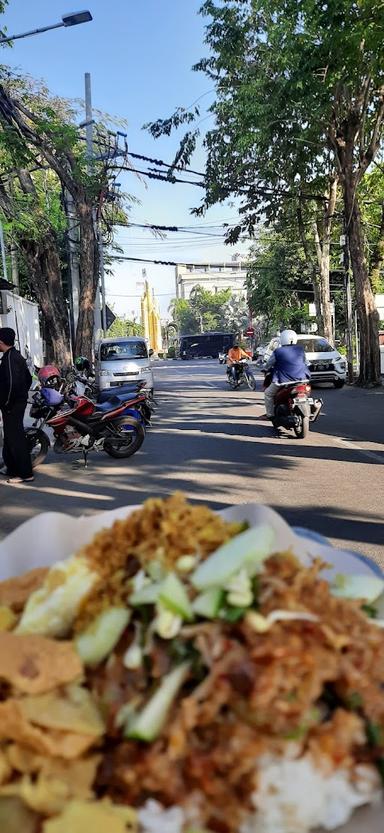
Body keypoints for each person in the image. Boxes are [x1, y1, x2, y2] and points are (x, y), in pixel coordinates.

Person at [0, 327, 34, 484]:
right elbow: (27, 379)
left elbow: (12, 384)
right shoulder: (15, 356)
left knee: (16, 439)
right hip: (16, 403)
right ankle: (11, 468)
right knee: (9, 438)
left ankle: (26, 474)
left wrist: (7, 402)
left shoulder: (10, 359)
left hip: (12, 405)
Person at [264, 329, 310, 419]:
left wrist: (265, 369)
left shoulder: (278, 351)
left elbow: (269, 364)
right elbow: (307, 362)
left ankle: (270, 415)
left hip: (283, 380)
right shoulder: (300, 349)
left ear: (283, 339)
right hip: (302, 379)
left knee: (268, 394)